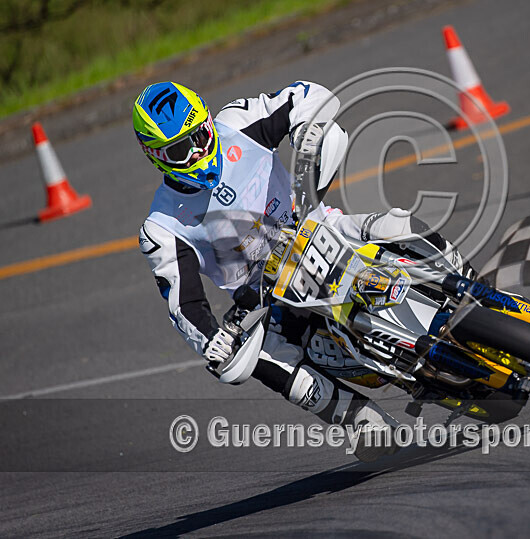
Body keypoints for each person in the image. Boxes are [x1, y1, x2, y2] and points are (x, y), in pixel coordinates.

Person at [133, 81, 464, 461]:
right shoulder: (162, 227)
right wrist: (211, 340)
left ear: (208, 122)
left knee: (399, 224)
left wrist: (306, 133)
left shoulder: (239, 122)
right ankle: (356, 418)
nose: (197, 152)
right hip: (267, 298)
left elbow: (306, 95)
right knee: (254, 358)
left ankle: (475, 287)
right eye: (180, 150)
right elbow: (184, 304)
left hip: (319, 228)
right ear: (156, 157)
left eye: (200, 136)